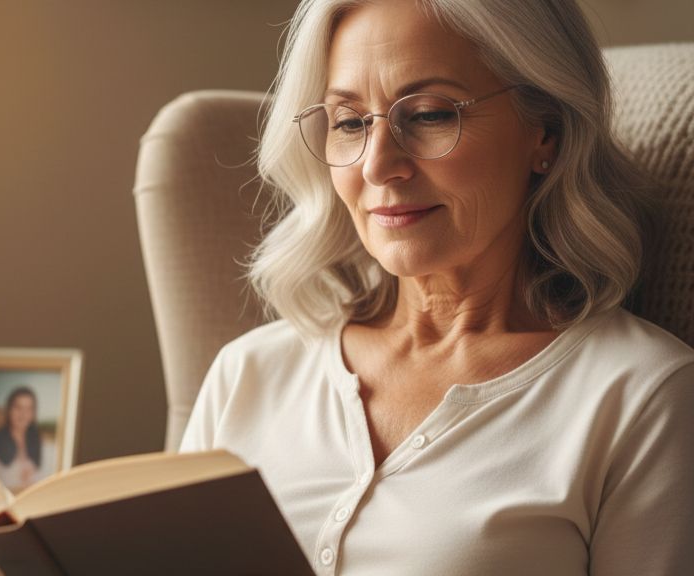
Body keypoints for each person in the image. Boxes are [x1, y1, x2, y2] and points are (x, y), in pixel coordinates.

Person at [179, 1, 694, 575]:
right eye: (349, 122)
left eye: (427, 115)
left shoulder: (641, 397)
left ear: (546, 130)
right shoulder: (246, 375)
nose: (378, 165)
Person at [0, 386, 43, 491]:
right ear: (9, 410)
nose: (23, 414)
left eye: (28, 409)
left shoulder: (37, 442)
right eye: (18, 407)